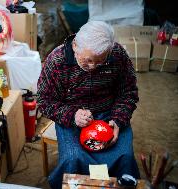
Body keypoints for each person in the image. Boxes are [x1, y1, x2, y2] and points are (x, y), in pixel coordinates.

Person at [37, 21, 140, 189]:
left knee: (125, 156)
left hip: (109, 115)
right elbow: (44, 100)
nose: (92, 67)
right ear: (75, 46)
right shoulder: (57, 60)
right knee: (72, 158)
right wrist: (72, 115)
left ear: (109, 50)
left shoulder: (117, 54)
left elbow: (128, 92)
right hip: (71, 119)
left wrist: (118, 120)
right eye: (87, 60)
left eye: (100, 62)